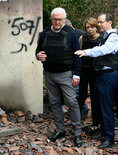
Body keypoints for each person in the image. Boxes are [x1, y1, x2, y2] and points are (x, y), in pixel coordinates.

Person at [35, 7, 83, 147]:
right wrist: (38, 56)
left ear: (64, 19)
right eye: (55, 19)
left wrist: (77, 75)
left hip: (65, 74)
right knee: (55, 103)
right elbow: (38, 50)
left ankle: (77, 133)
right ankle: (60, 130)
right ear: (51, 19)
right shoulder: (44, 33)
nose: (57, 22)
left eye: (60, 19)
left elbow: (77, 55)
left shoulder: (71, 33)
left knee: (72, 103)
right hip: (49, 74)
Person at [75, 13, 118, 149]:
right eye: (98, 22)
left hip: (108, 75)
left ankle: (109, 138)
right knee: (101, 106)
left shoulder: (113, 37)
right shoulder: (106, 36)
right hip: (101, 74)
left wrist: (85, 52)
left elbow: (103, 50)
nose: (99, 25)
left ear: (109, 22)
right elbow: (98, 48)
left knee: (106, 107)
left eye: (101, 22)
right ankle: (102, 130)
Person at [77, 17, 103, 134]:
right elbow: (77, 55)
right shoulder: (82, 38)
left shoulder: (102, 40)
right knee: (81, 95)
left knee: (95, 97)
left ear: (96, 27)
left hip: (96, 72)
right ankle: (76, 119)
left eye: (92, 27)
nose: (90, 29)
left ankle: (95, 122)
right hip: (83, 71)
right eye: (87, 27)